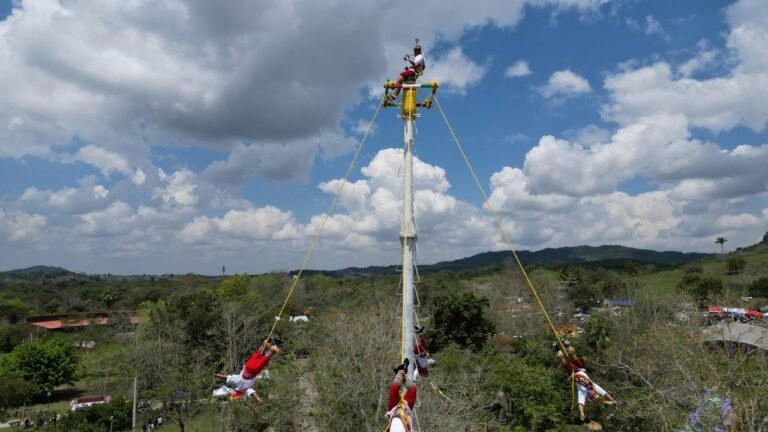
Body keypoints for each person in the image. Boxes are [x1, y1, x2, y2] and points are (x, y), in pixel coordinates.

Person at [213, 341, 279, 401]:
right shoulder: (236, 382)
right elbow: (226, 377)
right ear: (236, 391)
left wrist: (258, 399)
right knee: (256, 355)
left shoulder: (245, 389)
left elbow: (253, 393)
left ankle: (271, 350)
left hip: (253, 370)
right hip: (247, 366)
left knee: (263, 360)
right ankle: (264, 345)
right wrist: (216, 375)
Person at [385, 359, 418, 432]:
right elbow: (412, 390)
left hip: (395, 410)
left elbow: (395, 388)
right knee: (410, 390)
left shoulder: (394, 406)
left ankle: (400, 373)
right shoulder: (407, 406)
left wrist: (401, 375)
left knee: (395, 388)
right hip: (403, 412)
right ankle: (401, 373)